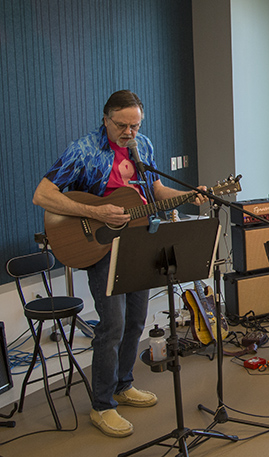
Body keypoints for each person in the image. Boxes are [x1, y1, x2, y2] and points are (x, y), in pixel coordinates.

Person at [32, 90, 207, 438]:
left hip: (138, 241)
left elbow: (154, 192)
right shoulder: (83, 150)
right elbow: (43, 194)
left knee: (136, 320)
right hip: (100, 246)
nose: (129, 132)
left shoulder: (143, 146)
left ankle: (124, 385)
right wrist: (96, 211)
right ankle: (101, 405)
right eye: (123, 125)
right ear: (106, 118)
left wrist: (190, 195)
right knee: (112, 324)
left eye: (136, 124)